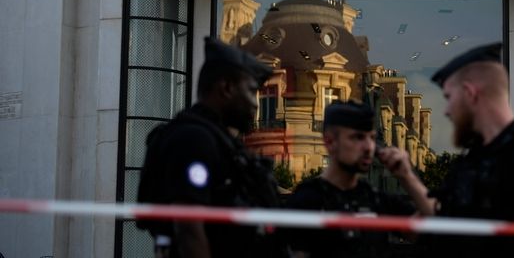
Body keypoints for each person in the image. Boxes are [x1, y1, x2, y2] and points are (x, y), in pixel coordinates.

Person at [387, 42, 514, 257]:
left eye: (448, 97)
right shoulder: (471, 161)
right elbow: (443, 224)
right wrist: (406, 176)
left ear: (469, 92)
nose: (446, 111)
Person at [137, 37, 285, 258]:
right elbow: (188, 228)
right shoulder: (193, 139)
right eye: (251, 91)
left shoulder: (221, 142)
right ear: (226, 88)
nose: (256, 104)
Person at [285, 101, 432, 258]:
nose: (369, 147)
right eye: (358, 137)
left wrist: (407, 176)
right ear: (330, 142)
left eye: (372, 138)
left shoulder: (375, 199)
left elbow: (436, 227)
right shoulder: (307, 199)